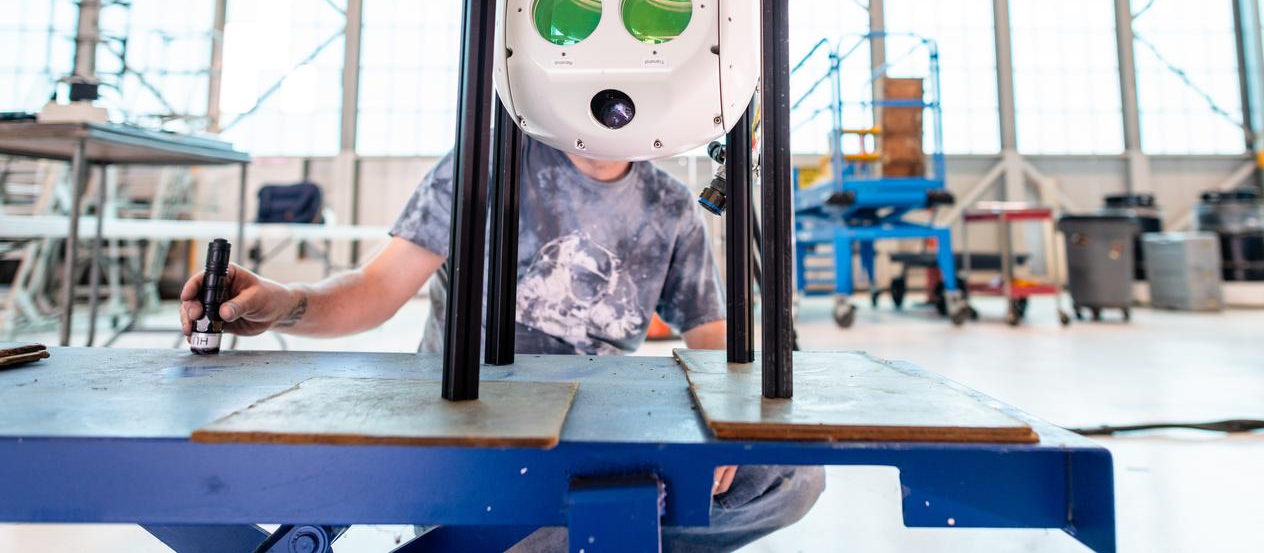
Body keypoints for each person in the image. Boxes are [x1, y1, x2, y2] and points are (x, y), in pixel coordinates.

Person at [180, 138, 824, 551]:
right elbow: (373, 292)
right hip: (469, 434)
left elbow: (711, 336)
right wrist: (282, 302)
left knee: (789, 477)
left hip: (587, 439)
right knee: (552, 510)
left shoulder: (671, 207)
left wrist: (724, 428)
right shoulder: (484, 165)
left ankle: (573, 529)